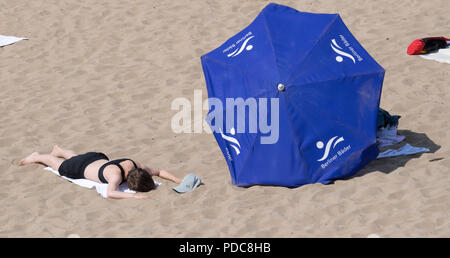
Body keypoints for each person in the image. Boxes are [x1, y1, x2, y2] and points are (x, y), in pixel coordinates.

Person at [18, 145, 183, 200]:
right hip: (80, 168)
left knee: (77, 157)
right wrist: (133, 195)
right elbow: (111, 193)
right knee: (57, 165)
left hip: (96, 158)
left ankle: (59, 148)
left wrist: (178, 180)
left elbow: (159, 171)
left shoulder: (134, 164)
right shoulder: (115, 176)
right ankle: (36, 157)